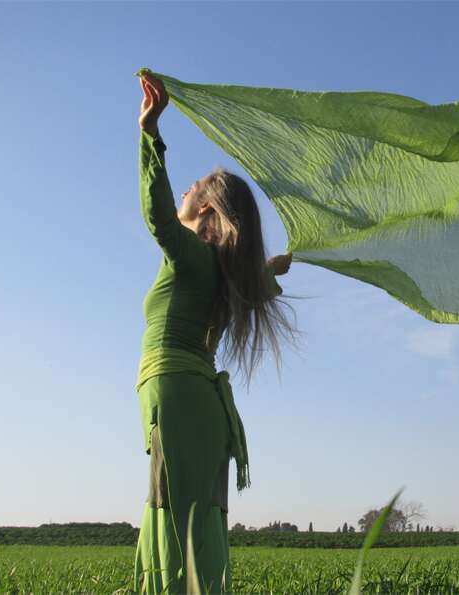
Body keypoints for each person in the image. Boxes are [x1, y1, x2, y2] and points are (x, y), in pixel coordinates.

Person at [134, 71, 298, 594]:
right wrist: (268, 268)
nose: (183, 190)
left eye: (191, 188)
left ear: (204, 208)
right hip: (199, 404)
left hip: (179, 393)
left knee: (172, 506)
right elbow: (261, 278)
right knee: (193, 512)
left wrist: (151, 134)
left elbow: (160, 218)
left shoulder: (193, 256)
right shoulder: (229, 274)